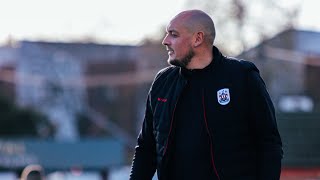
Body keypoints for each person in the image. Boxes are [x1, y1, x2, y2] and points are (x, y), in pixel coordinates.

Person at [130, 9, 283, 180]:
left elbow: (269, 143)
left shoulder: (242, 76)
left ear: (198, 38)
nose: (165, 41)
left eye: (174, 34)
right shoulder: (162, 82)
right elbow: (146, 148)